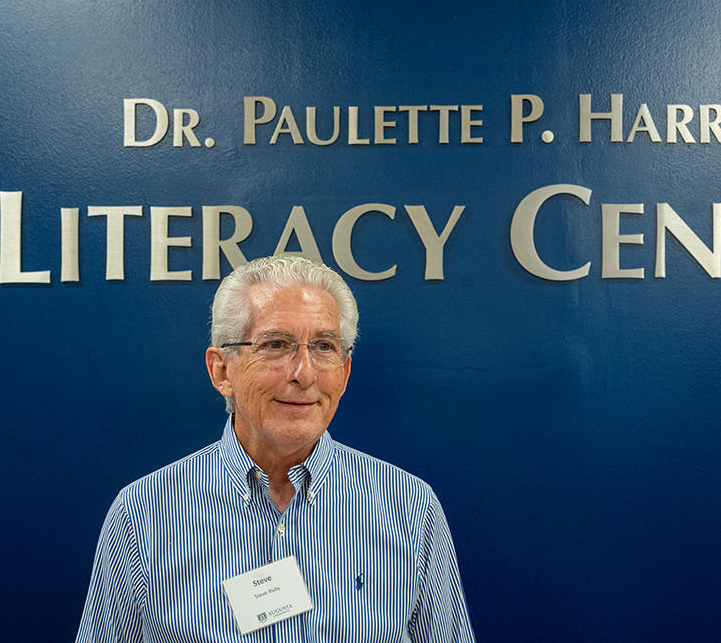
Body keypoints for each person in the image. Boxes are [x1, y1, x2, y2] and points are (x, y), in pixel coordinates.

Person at [76, 255, 474, 642]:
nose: (303, 374)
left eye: (323, 347)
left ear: (345, 371)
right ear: (221, 371)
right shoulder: (143, 513)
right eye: (276, 344)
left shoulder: (408, 505)